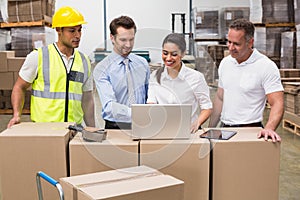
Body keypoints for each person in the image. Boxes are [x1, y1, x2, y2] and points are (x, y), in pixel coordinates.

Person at [7, 6, 95, 128]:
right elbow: (19, 87)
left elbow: (87, 99)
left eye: (80, 30)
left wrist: (92, 127)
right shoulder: (38, 57)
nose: (78, 35)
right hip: (45, 129)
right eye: (72, 30)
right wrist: (17, 114)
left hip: (75, 129)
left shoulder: (84, 61)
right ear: (59, 30)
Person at [208, 18, 284, 142]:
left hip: (251, 130)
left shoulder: (265, 66)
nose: (231, 47)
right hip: (225, 129)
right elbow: (220, 97)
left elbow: (277, 102)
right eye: (229, 42)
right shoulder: (225, 63)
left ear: (250, 42)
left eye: (236, 44)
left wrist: (270, 128)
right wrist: (210, 128)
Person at [147, 33, 212, 133]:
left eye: (174, 54)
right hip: (162, 131)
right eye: (165, 53)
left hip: (188, 131)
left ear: (183, 53)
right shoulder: (155, 76)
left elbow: (206, 107)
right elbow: (151, 104)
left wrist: (196, 123)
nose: (168, 58)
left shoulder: (196, 78)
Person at [93, 16, 150, 129]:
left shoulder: (142, 64)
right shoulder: (102, 69)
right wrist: (137, 114)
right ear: (112, 38)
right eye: (123, 40)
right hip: (116, 126)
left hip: (144, 124)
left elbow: (149, 96)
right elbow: (109, 107)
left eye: (131, 39)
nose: (128, 45)